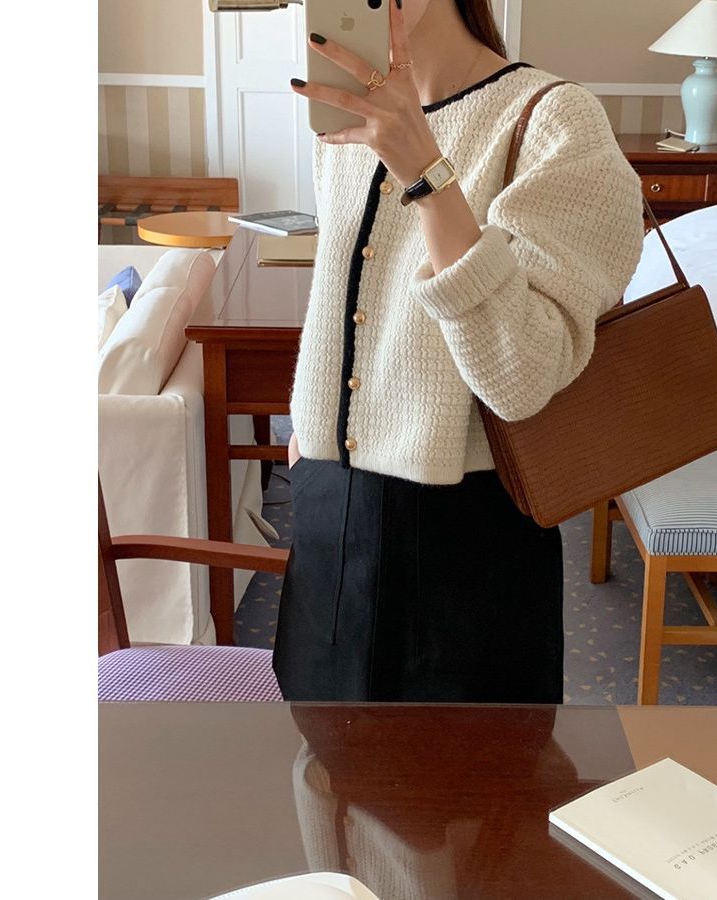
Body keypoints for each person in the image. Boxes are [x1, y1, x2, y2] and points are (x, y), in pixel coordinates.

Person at [272, 0, 645, 703]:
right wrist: (309, 435)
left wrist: (428, 174)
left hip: (465, 538)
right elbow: (355, 296)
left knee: (469, 773)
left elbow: (522, 376)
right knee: (321, 757)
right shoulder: (351, 120)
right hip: (331, 511)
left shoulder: (556, 122)